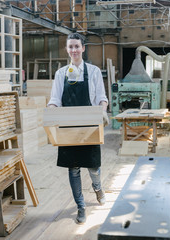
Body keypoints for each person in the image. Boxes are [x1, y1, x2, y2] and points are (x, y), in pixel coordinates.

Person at [47, 32, 109, 224]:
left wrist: (102, 111)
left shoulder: (94, 71)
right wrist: (50, 112)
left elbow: (101, 98)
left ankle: (97, 187)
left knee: (93, 166)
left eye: (77, 46)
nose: (73, 50)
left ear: (83, 48)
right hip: (68, 126)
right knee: (73, 169)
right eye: (70, 46)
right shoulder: (60, 74)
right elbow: (55, 100)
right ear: (67, 49)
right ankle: (81, 207)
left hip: (89, 124)